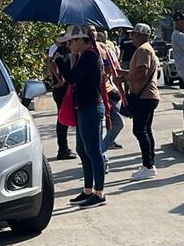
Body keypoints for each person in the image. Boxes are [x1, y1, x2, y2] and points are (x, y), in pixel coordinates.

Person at [55, 26, 109, 208]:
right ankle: (88, 190)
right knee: (82, 149)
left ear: (80, 40)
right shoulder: (82, 56)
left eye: (70, 41)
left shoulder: (90, 56)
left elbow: (72, 78)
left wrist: (60, 61)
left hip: (91, 108)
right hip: (83, 108)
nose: (68, 45)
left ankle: (100, 193)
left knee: (93, 151)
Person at [125, 23, 161, 179]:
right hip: (147, 96)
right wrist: (123, 73)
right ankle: (149, 163)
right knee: (146, 130)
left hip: (144, 96)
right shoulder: (145, 49)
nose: (131, 37)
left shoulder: (143, 50)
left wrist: (125, 78)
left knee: (140, 130)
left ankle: (148, 165)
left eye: (133, 34)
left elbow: (141, 73)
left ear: (140, 35)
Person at [46, 34, 76, 160]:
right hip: (63, 90)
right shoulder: (62, 52)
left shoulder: (63, 51)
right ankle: (63, 149)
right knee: (63, 119)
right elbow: (51, 64)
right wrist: (59, 78)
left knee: (63, 119)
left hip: (63, 89)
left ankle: (63, 148)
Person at [96, 31, 127, 152]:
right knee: (98, 127)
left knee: (118, 123)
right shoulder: (88, 54)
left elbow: (116, 69)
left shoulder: (108, 52)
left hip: (109, 91)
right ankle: (100, 154)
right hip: (96, 94)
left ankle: (102, 148)